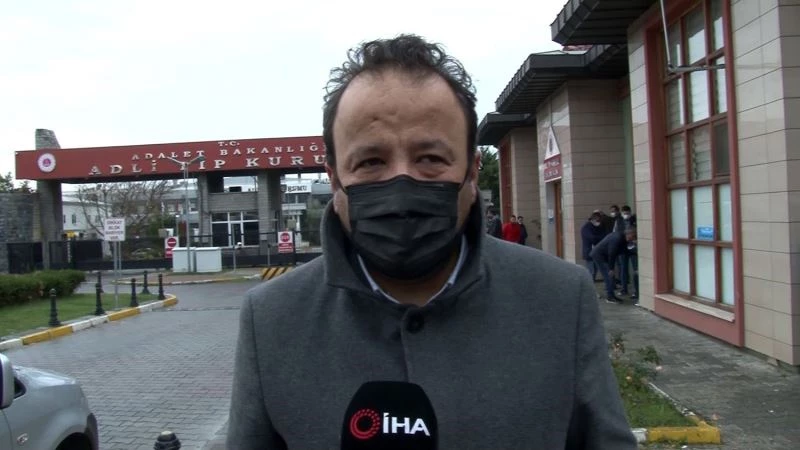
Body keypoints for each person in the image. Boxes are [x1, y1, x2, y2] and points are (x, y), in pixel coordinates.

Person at [227, 34, 636, 449]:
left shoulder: (560, 298)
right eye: (371, 161)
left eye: (430, 159)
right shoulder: (271, 318)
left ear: (472, 172)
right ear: (334, 178)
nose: (401, 185)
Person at [590, 227, 637, 304]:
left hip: (602, 255)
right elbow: (612, 253)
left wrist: (635, 253)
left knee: (610, 276)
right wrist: (611, 268)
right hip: (599, 256)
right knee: (609, 276)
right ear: (629, 234)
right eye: (633, 236)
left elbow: (624, 251)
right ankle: (610, 297)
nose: (633, 239)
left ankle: (611, 296)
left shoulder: (622, 238)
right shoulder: (617, 238)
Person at [581, 211, 606, 282]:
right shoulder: (586, 227)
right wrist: (601, 238)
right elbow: (592, 238)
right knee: (591, 271)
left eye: (600, 221)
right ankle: (590, 285)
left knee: (596, 270)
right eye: (598, 221)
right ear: (593, 219)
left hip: (597, 252)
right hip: (589, 252)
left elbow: (604, 235)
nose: (599, 222)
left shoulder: (599, 226)